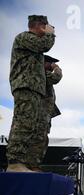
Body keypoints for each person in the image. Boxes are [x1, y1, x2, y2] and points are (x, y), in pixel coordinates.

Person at [7, 15, 56, 172]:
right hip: (25, 86)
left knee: (32, 126)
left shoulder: (34, 47)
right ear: (40, 25)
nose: (48, 28)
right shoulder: (25, 37)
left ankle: (27, 163)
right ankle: (15, 162)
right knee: (24, 122)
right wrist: (50, 33)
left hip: (34, 89)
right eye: (46, 26)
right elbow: (45, 45)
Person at [29, 55, 62, 170]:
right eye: (50, 63)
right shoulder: (41, 73)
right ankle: (32, 165)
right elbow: (56, 78)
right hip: (39, 114)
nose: (52, 65)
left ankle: (35, 165)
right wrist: (57, 68)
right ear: (44, 63)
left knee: (42, 140)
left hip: (45, 115)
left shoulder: (44, 74)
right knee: (38, 139)